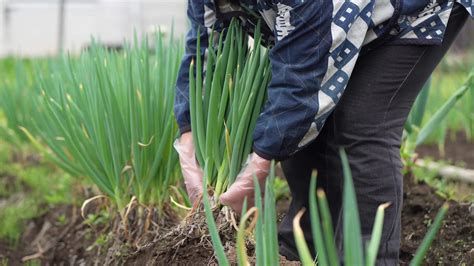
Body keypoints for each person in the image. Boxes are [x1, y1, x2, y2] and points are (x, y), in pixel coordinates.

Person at [174, 0, 472, 264]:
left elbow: (298, 79)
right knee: (298, 126)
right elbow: (202, 53)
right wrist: (189, 137)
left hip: (414, 12)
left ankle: (368, 256)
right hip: (344, 16)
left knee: (363, 124)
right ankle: (304, 246)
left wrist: (260, 164)